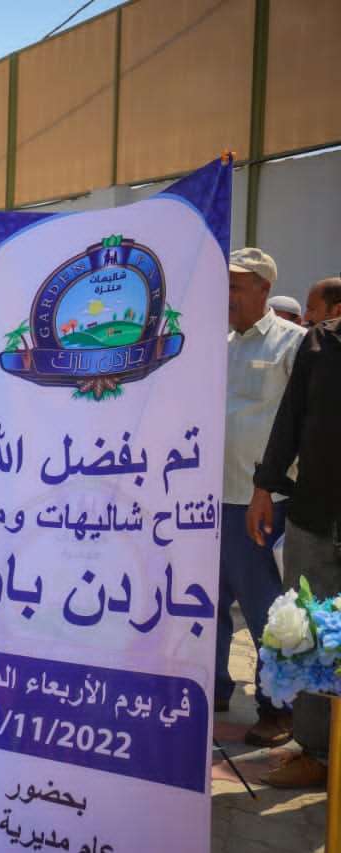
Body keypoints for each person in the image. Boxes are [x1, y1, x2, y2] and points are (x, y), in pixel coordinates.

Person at [249, 283, 341, 788]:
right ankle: (315, 751)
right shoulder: (320, 343)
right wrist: (265, 486)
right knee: (308, 634)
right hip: (315, 517)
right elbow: (290, 420)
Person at [216, 247, 305, 746]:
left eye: (236, 286)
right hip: (207, 500)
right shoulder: (220, 345)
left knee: (265, 609)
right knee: (205, 605)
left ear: (264, 289)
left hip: (257, 502)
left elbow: (300, 426)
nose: (227, 294)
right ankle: (211, 688)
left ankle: (279, 708)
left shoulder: (294, 344)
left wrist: (269, 487)